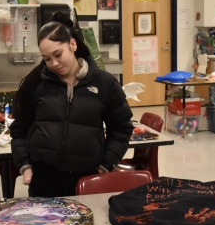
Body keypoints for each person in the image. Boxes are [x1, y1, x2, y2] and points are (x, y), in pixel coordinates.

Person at [11, 12, 133, 197]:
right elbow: (19, 129)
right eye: (46, 59)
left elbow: (122, 129)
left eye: (58, 54)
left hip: (87, 180)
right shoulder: (35, 83)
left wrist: (105, 165)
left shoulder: (105, 83)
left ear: (73, 44)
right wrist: (25, 167)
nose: (54, 63)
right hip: (45, 181)